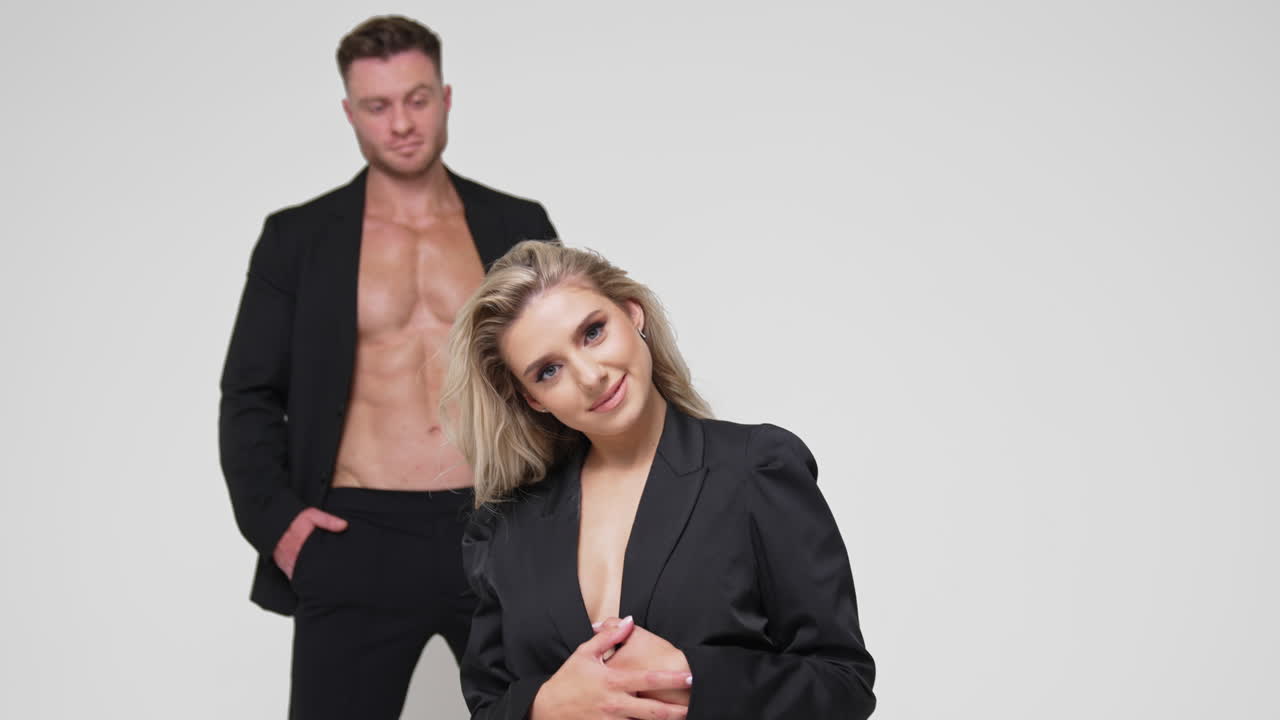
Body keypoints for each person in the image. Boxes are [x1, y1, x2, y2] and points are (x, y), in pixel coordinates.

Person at [218, 16, 557, 719]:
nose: (401, 123)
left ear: (446, 98)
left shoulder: (515, 224)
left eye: (417, 99)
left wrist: (567, 513)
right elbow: (249, 394)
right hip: (355, 534)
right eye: (378, 106)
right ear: (350, 112)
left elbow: (562, 372)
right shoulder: (298, 238)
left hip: (497, 521)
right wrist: (278, 525)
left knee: (553, 710)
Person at [441, 241, 876, 719]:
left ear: (633, 314)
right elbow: (487, 706)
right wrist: (542, 706)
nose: (590, 376)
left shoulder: (756, 468)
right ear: (532, 399)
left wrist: (694, 681)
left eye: (593, 332)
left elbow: (844, 683)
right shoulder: (503, 530)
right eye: (548, 371)